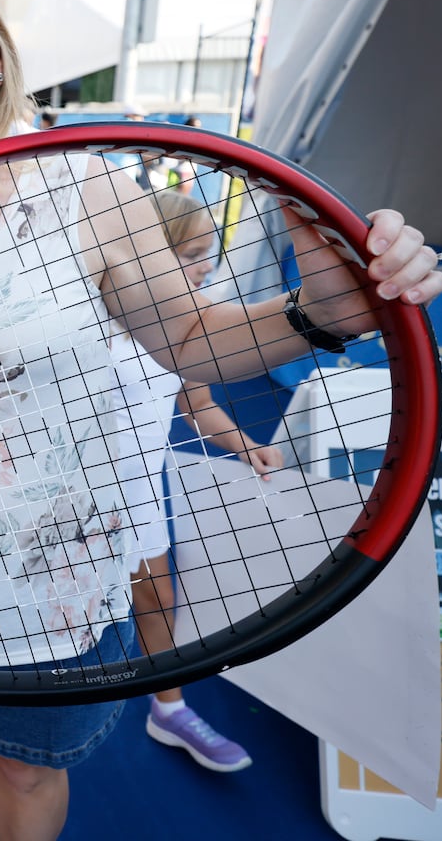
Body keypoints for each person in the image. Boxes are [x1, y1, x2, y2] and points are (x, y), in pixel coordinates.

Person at [0, 0, 442, 841]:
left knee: (24, 771)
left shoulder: (83, 190)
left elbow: (186, 337)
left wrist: (313, 316)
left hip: (51, 595)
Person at [112, 189, 285, 775]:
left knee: (157, 598)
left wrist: (247, 445)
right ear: (146, 253)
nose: (205, 267)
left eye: (208, 253)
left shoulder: (191, 324)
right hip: (59, 498)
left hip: (134, 492)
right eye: (190, 254)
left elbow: (198, 405)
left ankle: (169, 708)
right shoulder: (86, 317)